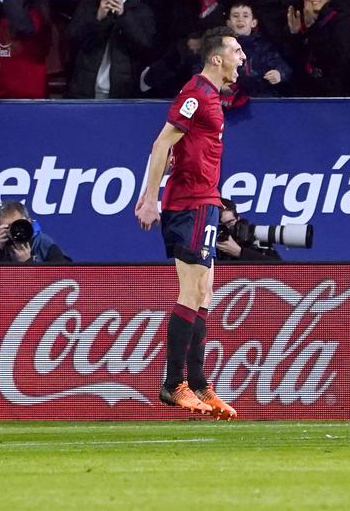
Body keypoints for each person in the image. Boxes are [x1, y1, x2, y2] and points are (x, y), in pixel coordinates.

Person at [134, 26, 245, 420]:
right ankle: (172, 384)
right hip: (190, 202)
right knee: (191, 289)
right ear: (217, 58)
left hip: (206, 201)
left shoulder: (212, 97)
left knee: (204, 291)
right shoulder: (196, 94)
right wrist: (149, 199)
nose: (242, 57)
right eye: (236, 50)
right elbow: (162, 143)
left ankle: (198, 384)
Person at [66, 0, 157, 99]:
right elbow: (73, 40)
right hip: (86, 89)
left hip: (123, 92)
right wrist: (98, 17)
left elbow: (146, 47)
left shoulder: (141, 9)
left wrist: (123, 16)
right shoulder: (89, 5)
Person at [286, 0, 350, 97]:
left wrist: (312, 28)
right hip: (305, 94)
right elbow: (294, 64)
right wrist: (295, 35)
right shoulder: (298, 22)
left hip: (337, 94)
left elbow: (339, 59)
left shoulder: (343, 21)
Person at [227, 1, 292, 98]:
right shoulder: (220, 48)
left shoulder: (264, 47)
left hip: (262, 101)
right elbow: (204, 71)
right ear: (229, 23)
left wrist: (279, 74)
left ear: (253, 23)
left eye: (245, 16)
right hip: (231, 102)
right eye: (235, 16)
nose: (240, 19)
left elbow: (285, 68)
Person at [0, 200, 71, 264]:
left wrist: (28, 262)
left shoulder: (43, 243)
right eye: (9, 227)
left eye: (18, 224)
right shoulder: (1, 248)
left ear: (29, 221)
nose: (16, 230)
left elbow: (64, 278)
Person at [215, 198, 283, 262]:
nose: (226, 229)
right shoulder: (207, 243)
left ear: (238, 220)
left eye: (230, 223)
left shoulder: (252, 238)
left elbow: (278, 269)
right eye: (220, 226)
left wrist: (240, 252)